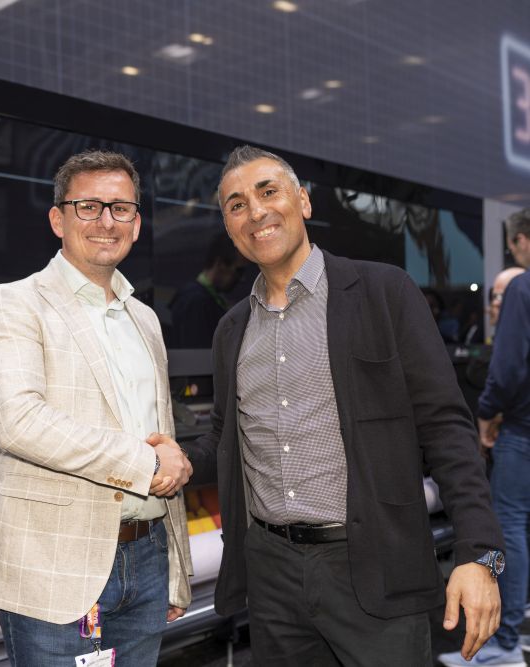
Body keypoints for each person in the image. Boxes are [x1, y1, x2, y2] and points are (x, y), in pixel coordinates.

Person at [190, 145, 504, 665]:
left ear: (303, 202)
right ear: (228, 226)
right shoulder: (232, 330)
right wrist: (169, 460)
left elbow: (446, 428)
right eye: (237, 205)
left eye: (268, 192)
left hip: (377, 565)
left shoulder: (383, 292)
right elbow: (225, 438)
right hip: (271, 577)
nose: (256, 211)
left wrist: (480, 553)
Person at [0, 150, 193, 666]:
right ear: (58, 219)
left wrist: (175, 569)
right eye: (88, 207)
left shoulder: (145, 320)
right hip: (56, 566)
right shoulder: (11, 303)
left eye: (121, 209)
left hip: (147, 560)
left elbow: (161, 435)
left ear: (136, 224)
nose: (106, 222)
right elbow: (19, 423)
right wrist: (146, 463)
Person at [441, 209, 530, 666]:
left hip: (520, 431)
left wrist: (486, 414)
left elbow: (508, 368)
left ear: (521, 241)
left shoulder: (523, 289)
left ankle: (505, 638)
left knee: (507, 528)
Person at [170, 231, 246, 348]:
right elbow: (198, 352)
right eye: (239, 271)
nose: (241, 279)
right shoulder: (197, 302)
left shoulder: (198, 297)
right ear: (220, 264)